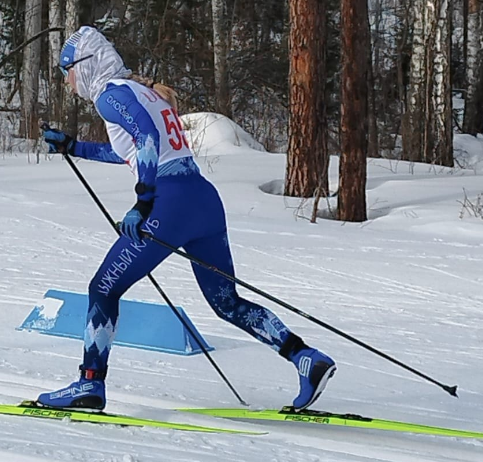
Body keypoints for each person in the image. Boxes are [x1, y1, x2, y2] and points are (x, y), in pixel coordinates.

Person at [37, 26, 336, 412]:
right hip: (202, 199)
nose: (68, 82)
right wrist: (73, 146)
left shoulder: (111, 96)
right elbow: (133, 151)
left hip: (169, 203)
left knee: (103, 289)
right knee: (227, 303)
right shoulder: (142, 92)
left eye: (67, 72)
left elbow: (146, 140)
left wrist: (144, 200)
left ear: (86, 65)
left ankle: (89, 385)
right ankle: (305, 359)